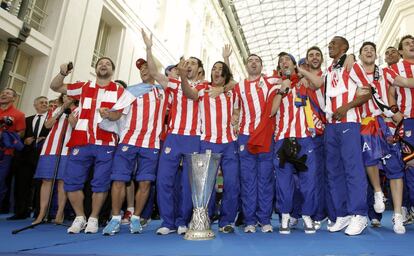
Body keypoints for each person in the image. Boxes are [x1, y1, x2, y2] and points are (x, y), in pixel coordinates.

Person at [49, 57, 135, 234]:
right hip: (81, 140)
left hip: (106, 142)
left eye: (108, 64)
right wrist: (63, 73)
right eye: (100, 63)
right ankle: (80, 217)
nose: (104, 65)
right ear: (96, 68)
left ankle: (94, 218)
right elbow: (55, 87)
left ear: (112, 70)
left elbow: (118, 116)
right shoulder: (84, 86)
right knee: (72, 183)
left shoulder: (119, 90)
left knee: (100, 184)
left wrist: (108, 115)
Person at [299, 36, 372, 236]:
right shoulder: (330, 70)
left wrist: (346, 106)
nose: (329, 46)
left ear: (344, 47)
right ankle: (342, 214)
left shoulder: (353, 65)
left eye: (333, 44)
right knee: (334, 171)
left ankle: (359, 214)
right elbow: (317, 87)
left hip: (348, 122)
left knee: (353, 169)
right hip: (331, 126)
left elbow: (368, 91)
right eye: (329, 44)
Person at [141, 30, 204, 235]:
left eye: (193, 63)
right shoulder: (172, 83)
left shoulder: (203, 86)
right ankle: (167, 221)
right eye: (188, 62)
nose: (189, 65)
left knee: (187, 183)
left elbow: (191, 95)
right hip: (173, 136)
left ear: (200, 70)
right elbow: (153, 71)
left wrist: (183, 77)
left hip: (193, 138)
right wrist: (149, 48)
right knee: (164, 179)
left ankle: (182, 220)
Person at [102, 57, 168, 235]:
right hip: (129, 140)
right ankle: (115, 218)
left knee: (145, 182)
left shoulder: (164, 90)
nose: (144, 70)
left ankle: (136, 218)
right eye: (141, 68)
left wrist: (149, 48)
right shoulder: (131, 90)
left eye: (147, 67)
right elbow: (117, 115)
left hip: (150, 143)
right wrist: (108, 114)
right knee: (119, 179)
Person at [179, 46, 240, 233]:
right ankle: (203, 217)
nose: (216, 71)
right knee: (206, 184)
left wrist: (225, 63)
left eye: (220, 70)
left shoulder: (231, 91)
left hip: (229, 142)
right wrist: (182, 76)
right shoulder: (203, 88)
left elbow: (233, 82)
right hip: (207, 141)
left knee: (231, 182)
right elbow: (189, 94)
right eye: (214, 68)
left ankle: (227, 221)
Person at [271, 52, 317, 234]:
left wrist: (303, 75)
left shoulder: (305, 82)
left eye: (287, 59)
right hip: (283, 139)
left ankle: (306, 215)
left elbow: (320, 85)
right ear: (279, 67)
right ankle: (285, 215)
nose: (284, 62)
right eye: (281, 61)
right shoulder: (275, 85)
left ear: (294, 64)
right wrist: (282, 89)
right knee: (283, 181)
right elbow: (272, 111)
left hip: (304, 138)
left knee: (308, 180)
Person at [233, 54, 278, 233]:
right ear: (245, 65)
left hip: (265, 136)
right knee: (248, 180)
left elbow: (290, 74)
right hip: (245, 136)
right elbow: (236, 108)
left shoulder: (271, 81)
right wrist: (235, 118)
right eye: (250, 60)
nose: (253, 62)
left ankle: (265, 219)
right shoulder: (239, 87)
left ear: (262, 65)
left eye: (257, 60)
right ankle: (250, 220)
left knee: (265, 178)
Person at [32, 94, 79, 224]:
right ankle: (41, 213)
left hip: (67, 149)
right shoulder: (55, 109)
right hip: (50, 148)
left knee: (62, 181)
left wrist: (68, 112)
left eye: (69, 97)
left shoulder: (78, 110)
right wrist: (61, 110)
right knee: (46, 180)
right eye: (64, 97)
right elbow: (47, 125)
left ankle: (59, 213)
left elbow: (75, 125)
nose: (67, 99)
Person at [8, 96, 49, 220]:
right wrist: (24, 141)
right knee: (22, 185)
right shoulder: (27, 120)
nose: (44, 104)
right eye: (41, 102)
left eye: (46, 103)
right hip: (26, 157)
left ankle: (39, 213)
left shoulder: (52, 121)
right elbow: (19, 136)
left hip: (43, 157)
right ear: (35, 105)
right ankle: (21, 212)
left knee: (41, 185)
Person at [0, 88, 25, 210]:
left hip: (5, 152)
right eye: (3, 93)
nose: (4, 94)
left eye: (8, 93)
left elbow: (21, 133)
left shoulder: (19, 115)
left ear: (14, 98)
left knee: (0, 179)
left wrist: (7, 135)